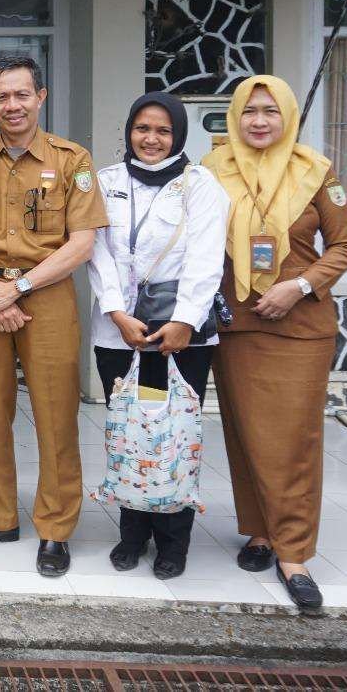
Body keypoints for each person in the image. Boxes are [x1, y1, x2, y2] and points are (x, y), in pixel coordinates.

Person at [204, 74, 347, 614]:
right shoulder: (212, 171)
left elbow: (346, 244)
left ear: (288, 115)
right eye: (250, 111)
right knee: (246, 432)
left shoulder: (315, 171)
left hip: (299, 325)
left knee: (292, 438)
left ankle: (293, 551)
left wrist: (298, 286)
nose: (260, 121)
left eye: (271, 110)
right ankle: (260, 532)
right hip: (237, 323)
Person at [0, 55, 107, 577]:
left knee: (55, 417)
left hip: (46, 295)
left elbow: (81, 244)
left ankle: (55, 529)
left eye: (21, 95)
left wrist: (16, 288)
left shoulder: (72, 159)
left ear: (41, 96)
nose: (11, 105)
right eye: (0, 96)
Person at [86, 92, 228, 579]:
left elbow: (207, 258)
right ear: (128, 130)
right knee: (129, 431)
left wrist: (185, 320)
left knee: (172, 435)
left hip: (176, 336)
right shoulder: (106, 182)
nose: (151, 139)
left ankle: (173, 541)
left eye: (163, 131)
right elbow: (97, 250)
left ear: (179, 136)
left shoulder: (201, 185)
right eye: (142, 128)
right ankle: (132, 532)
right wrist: (115, 310)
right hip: (120, 332)